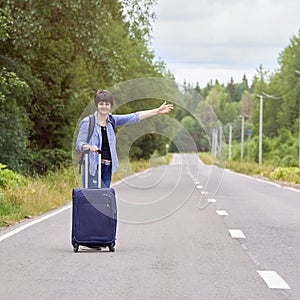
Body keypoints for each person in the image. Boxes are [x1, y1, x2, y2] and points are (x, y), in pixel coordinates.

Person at [76, 89, 174, 188]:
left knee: (104, 199)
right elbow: (79, 143)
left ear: (110, 106)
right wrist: (88, 147)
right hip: (93, 166)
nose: (104, 107)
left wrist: (157, 111)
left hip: (108, 166)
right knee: (92, 198)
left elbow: (135, 116)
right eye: (101, 104)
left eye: (107, 104)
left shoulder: (112, 120)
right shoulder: (88, 122)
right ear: (97, 105)